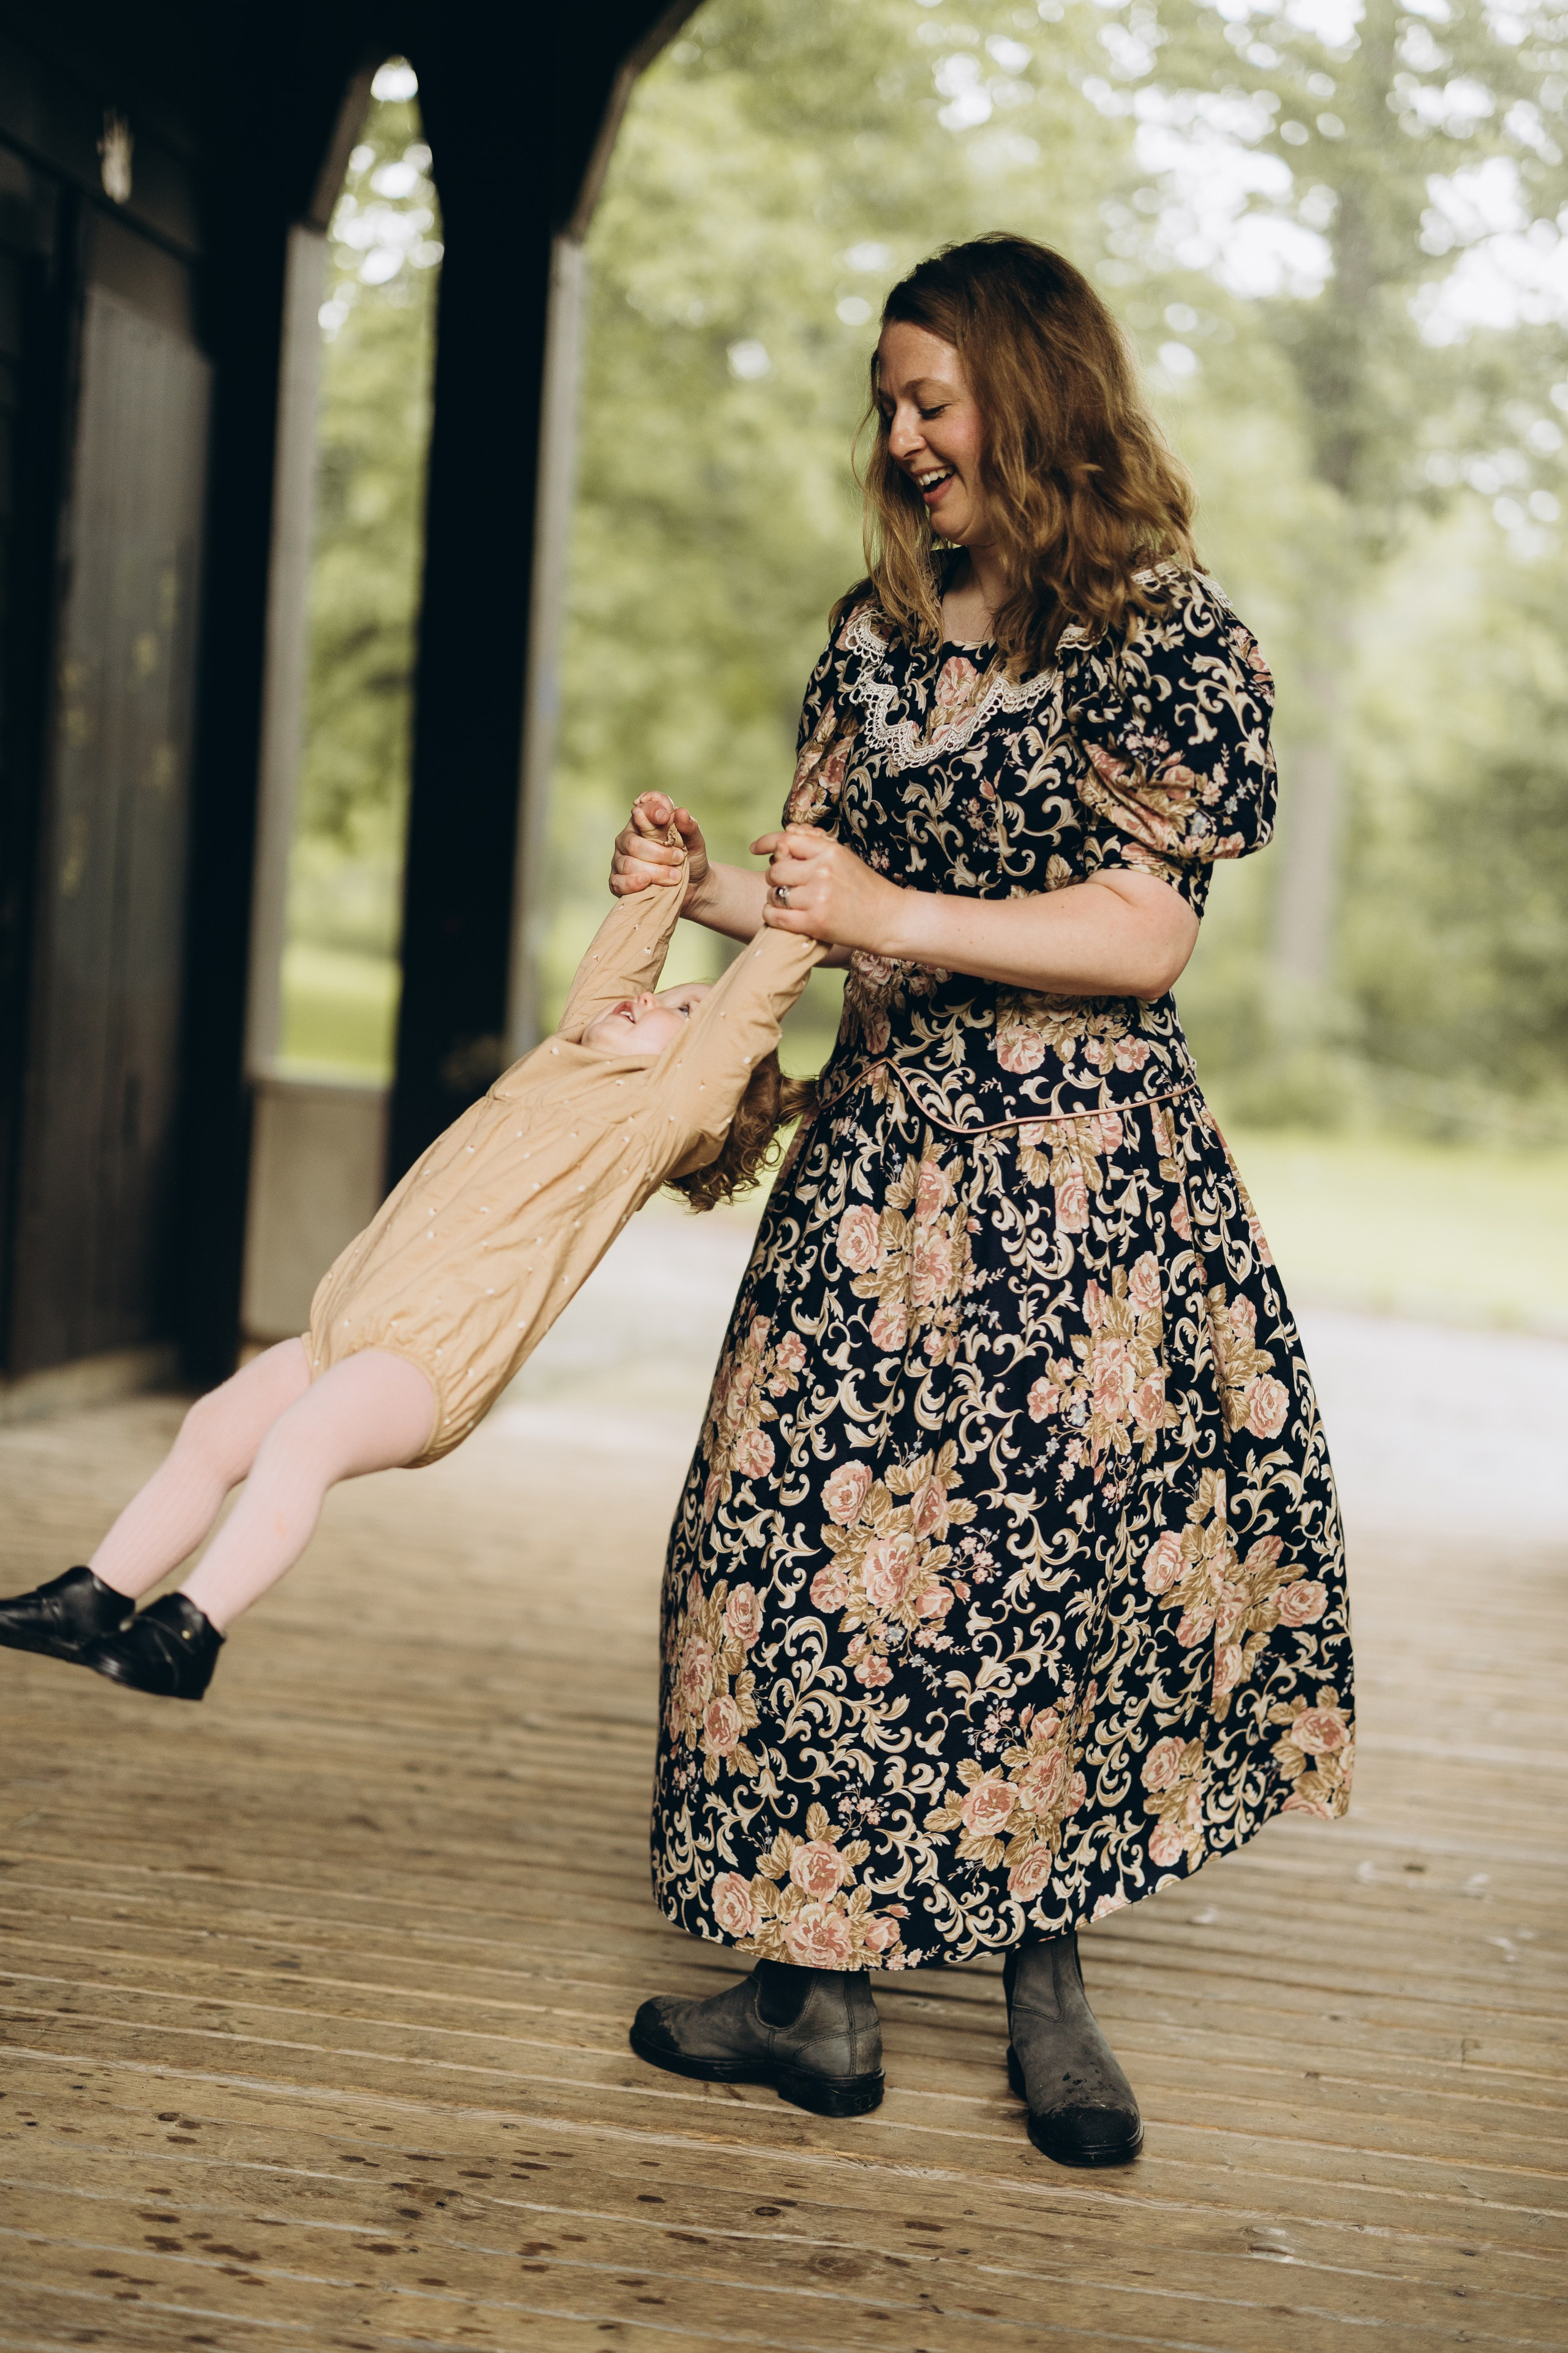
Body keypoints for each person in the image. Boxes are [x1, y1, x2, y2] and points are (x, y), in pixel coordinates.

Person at [610, 235, 1354, 2164]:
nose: (904, 435)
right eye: (888, 401)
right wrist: (699, 883)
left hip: (1076, 1188)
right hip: (878, 1167)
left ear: (1031, 395)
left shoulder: (1156, 632)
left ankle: (1050, 1997)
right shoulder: (876, 634)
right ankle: (817, 1998)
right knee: (781, 1542)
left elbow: (1145, 928)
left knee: (1046, 1570)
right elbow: (822, 891)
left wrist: (890, 915)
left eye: (932, 397)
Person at [0, 809, 820, 1702]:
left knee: (299, 1440)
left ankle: (192, 1627)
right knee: (216, 1427)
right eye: (670, 991)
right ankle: (97, 1594)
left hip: (429, 1361)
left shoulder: (656, 1117)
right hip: (346, 1328)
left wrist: (798, 917)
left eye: (684, 1014)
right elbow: (622, 965)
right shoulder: (569, 1056)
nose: (655, 999)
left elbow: (743, 1016)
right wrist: (661, 872)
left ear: (706, 1079)